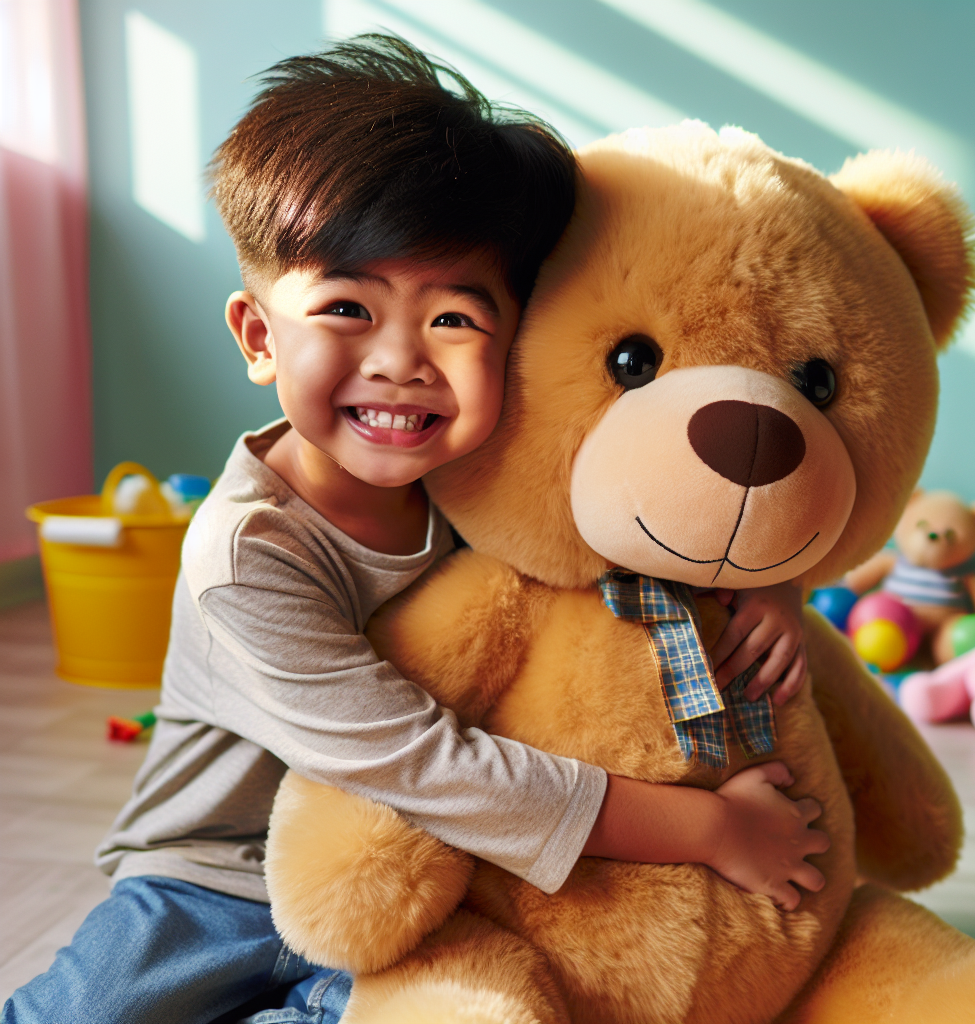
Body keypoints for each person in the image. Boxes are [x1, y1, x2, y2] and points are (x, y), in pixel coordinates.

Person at [2, 36, 825, 1024]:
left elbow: (659, 522)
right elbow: (426, 767)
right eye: (347, 307)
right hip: (214, 880)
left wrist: (768, 585)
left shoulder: (488, 476)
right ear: (260, 337)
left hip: (433, 876)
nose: (399, 361)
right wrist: (710, 828)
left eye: (454, 320)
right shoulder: (247, 553)